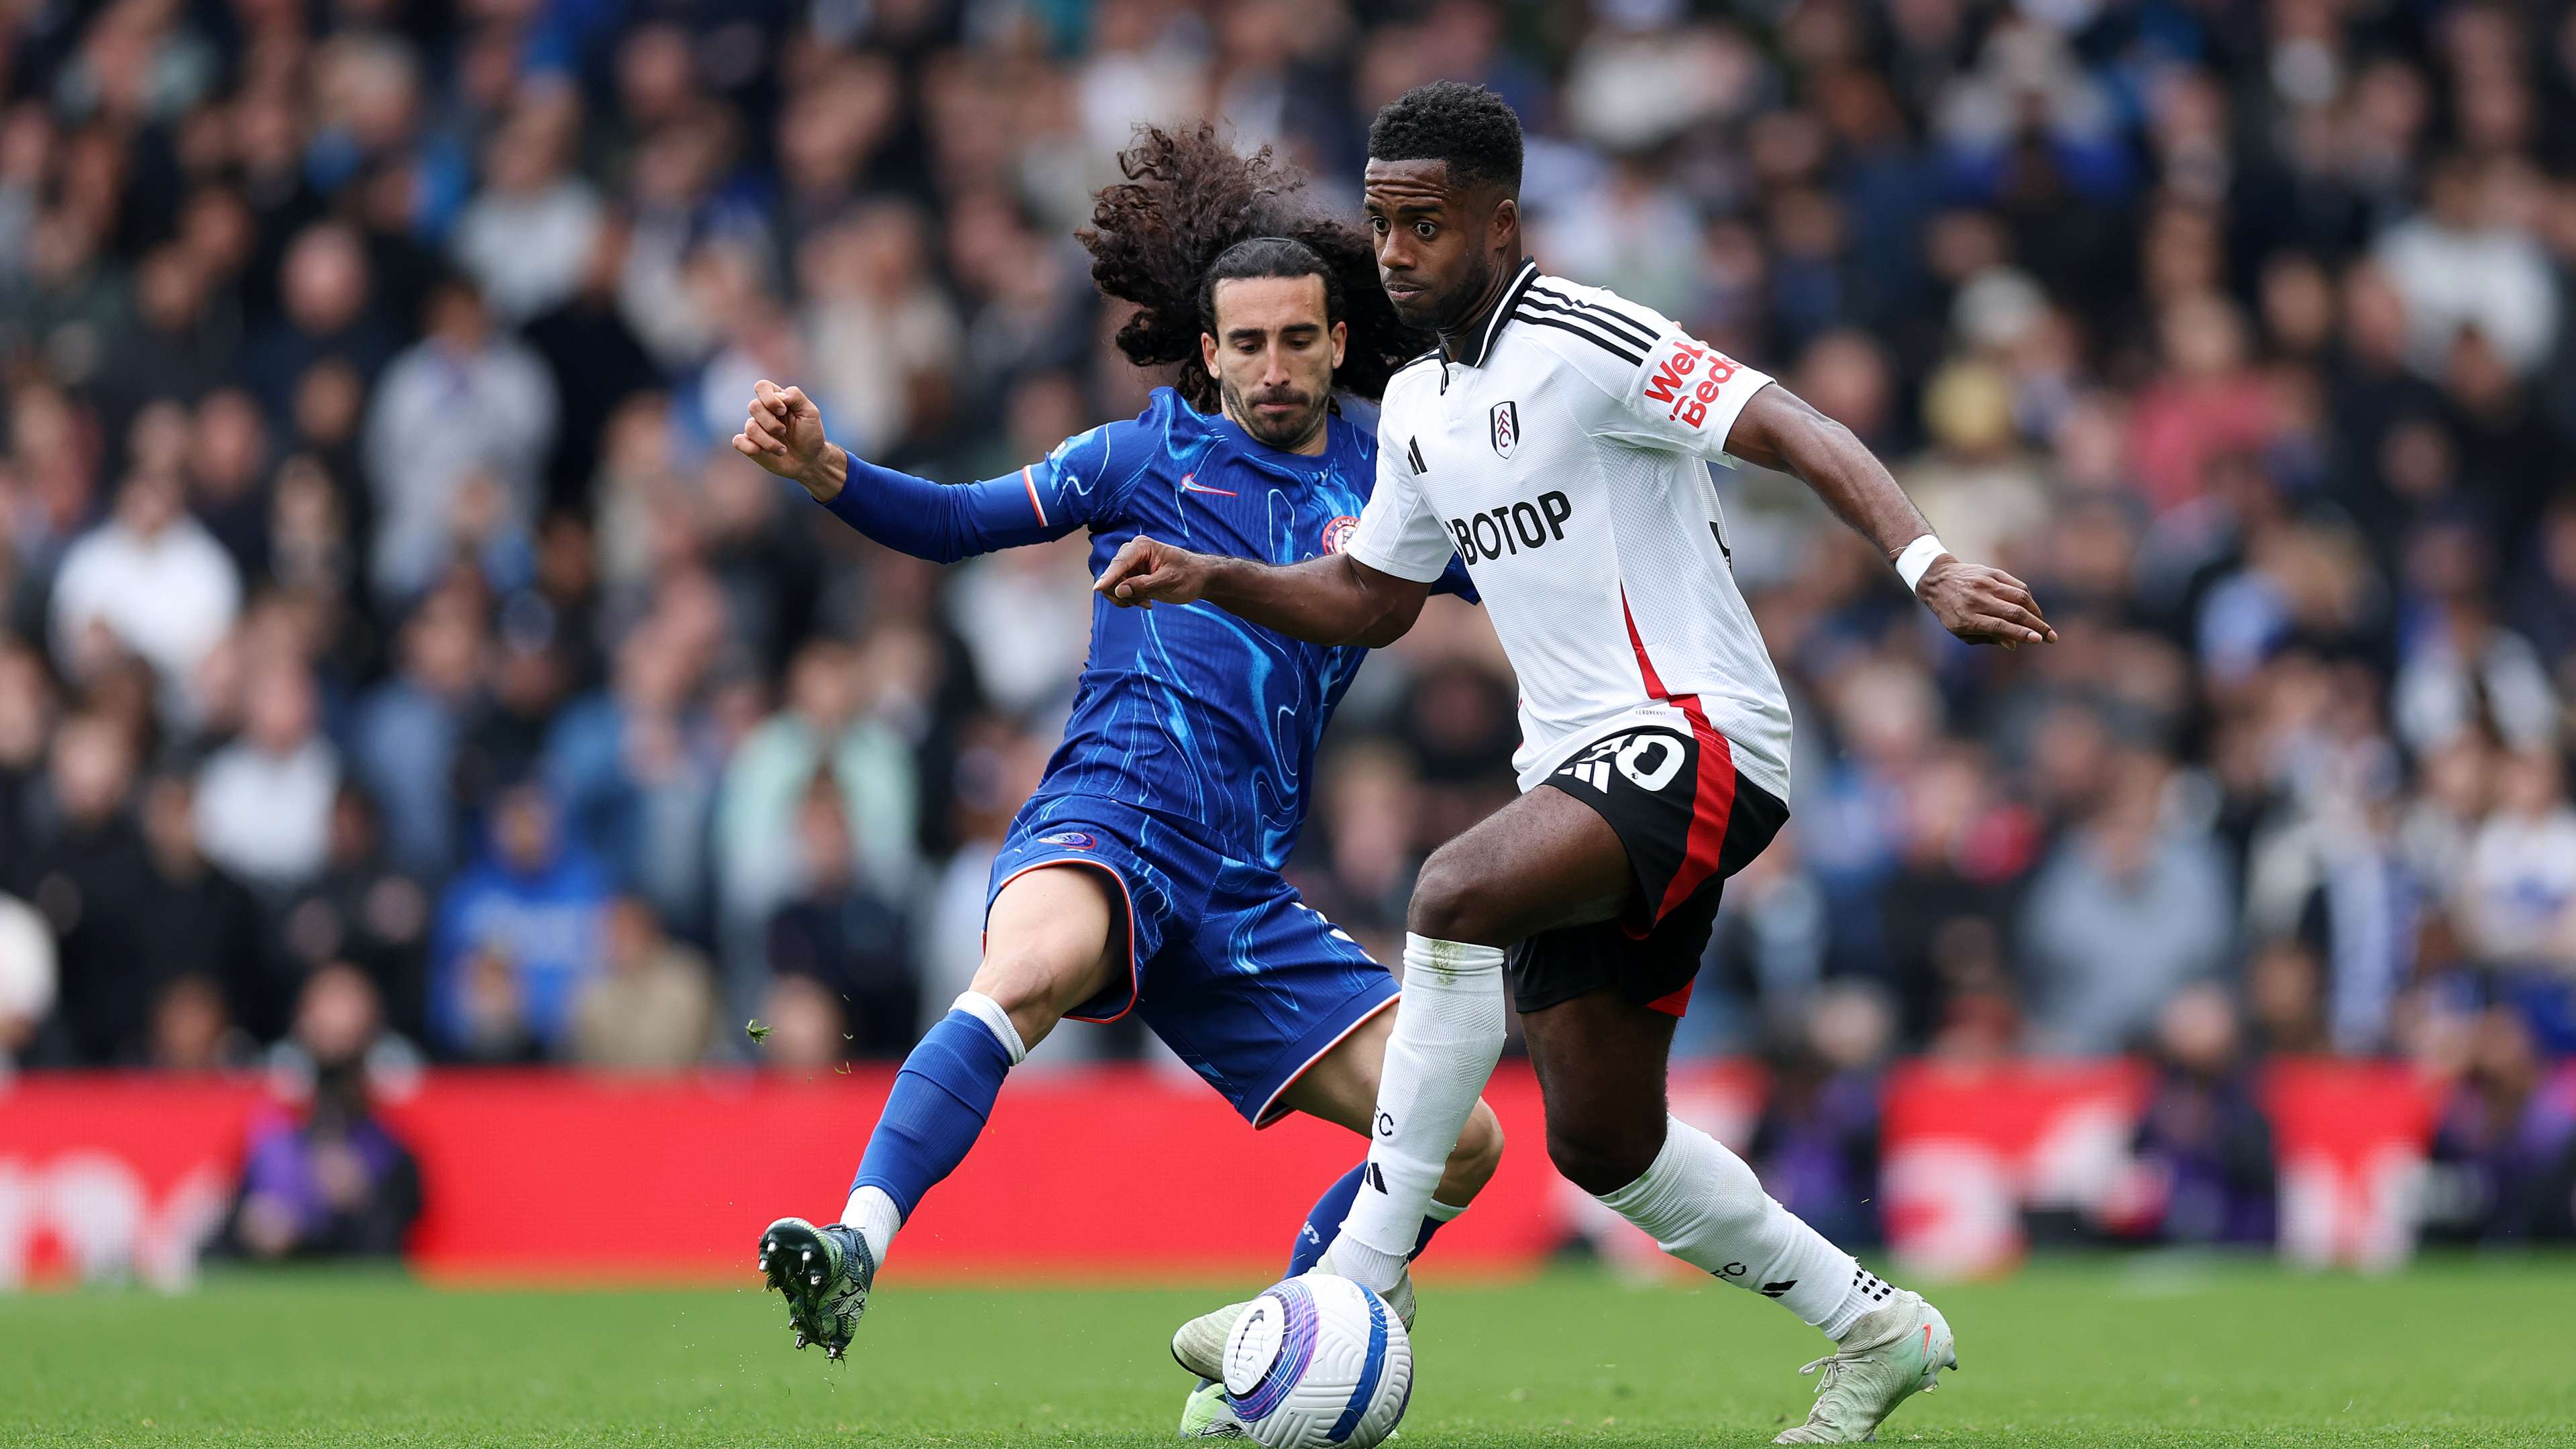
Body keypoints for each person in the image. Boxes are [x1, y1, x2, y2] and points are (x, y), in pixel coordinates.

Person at [1099, 83, 2053, 1444]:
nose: (1398, 254)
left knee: (1450, 890)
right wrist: (1218, 576)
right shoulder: (1422, 398)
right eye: (1381, 226)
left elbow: (1791, 425)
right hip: (1584, 778)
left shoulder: (1591, 339)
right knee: (1605, 1144)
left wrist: (1925, 559)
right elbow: (1375, 595)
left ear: (1501, 221)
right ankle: (1878, 1328)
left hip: (1706, 734)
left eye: (1425, 225)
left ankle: (1353, 1281)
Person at [728, 125, 1506, 1424]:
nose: (1271, 367)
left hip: (1248, 889)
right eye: (1244, 344)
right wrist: (829, 474)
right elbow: (964, 519)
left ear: (1334, 344)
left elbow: (1533, 569)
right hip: (1112, 819)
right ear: (1207, 352)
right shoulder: (1142, 458)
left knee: (1462, 1144)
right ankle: (860, 1240)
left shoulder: (1394, 483)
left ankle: (1278, 1344)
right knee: (1020, 975)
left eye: (1295, 341)